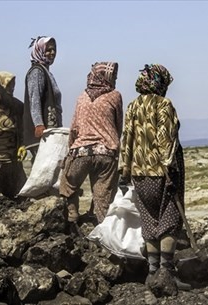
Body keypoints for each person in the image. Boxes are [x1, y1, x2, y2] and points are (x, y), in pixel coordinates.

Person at [119, 64, 189, 290]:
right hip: (162, 173)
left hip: (139, 174)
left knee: (149, 220)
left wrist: (125, 170)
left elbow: (126, 139)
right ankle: (167, 272)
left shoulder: (133, 106)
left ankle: (152, 272)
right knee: (169, 220)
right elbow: (165, 139)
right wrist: (170, 170)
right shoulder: (163, 105)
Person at [59, 62, 123, 234]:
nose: (115, 80)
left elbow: (73, 128)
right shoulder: (115, 96)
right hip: (106, 154)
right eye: (113, 77)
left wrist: (70, 150)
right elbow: (118, 126)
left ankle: (72, 217)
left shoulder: (81, 97)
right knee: (103, 197)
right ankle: (107, 233)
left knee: (68, 184)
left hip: (81, 152)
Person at [23, 36, 62, 157]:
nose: (52, 53)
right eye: (48, 50)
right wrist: (38, 124)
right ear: (40, 51)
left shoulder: (46, 71)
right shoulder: (37, 72)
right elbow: (34, 99)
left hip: (50, 131)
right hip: (42, 132)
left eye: (54, 49)